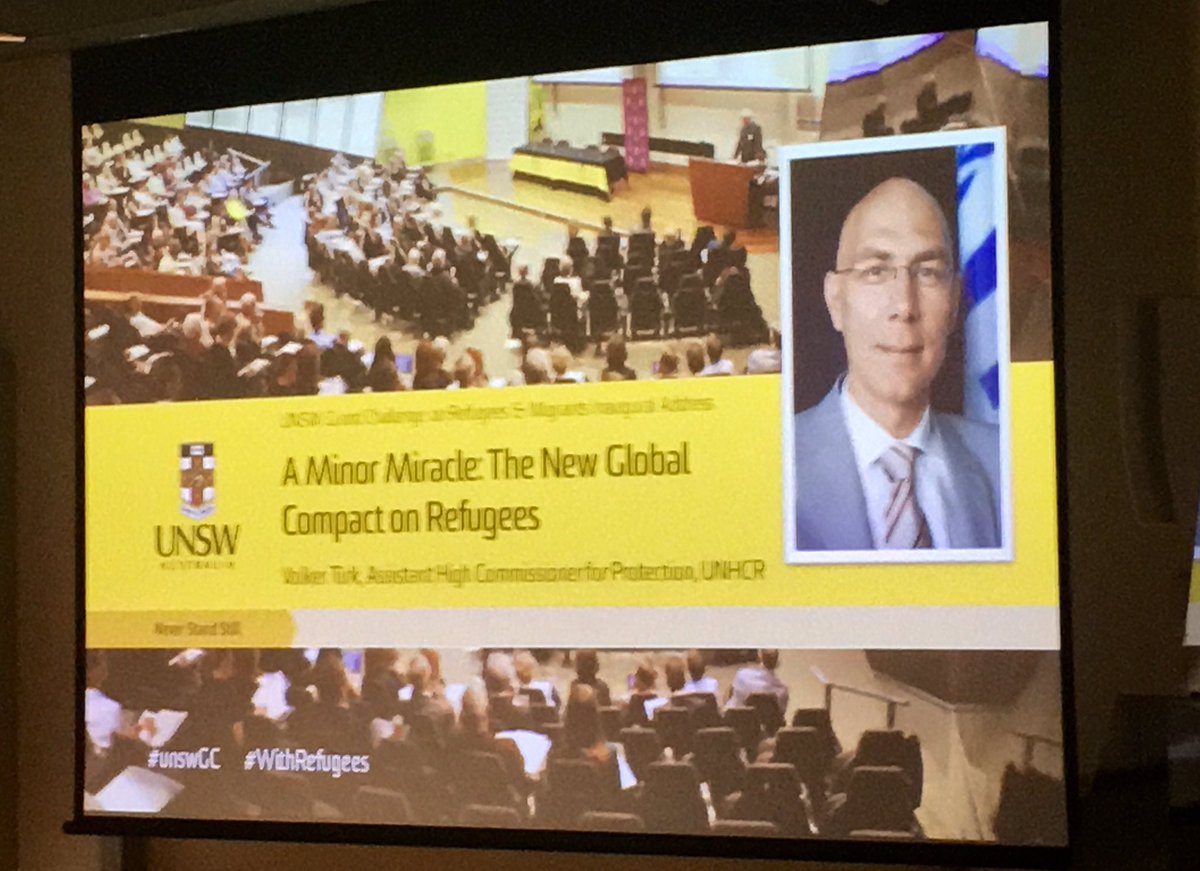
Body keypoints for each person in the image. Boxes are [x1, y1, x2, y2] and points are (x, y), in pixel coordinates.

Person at [793, 176, 1001, 552]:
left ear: (954, 301)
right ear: (835, 300)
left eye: (928, 272)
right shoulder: (769, 460)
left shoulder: (1006, 461)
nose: (904, 306)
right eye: (875, 271)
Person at [727, 649, 788, 714]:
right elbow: (781, 713)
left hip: (734, 718)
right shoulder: (782, 691)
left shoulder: (741, 674)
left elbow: (730, 696)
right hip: (765, 719)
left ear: (760, 655)